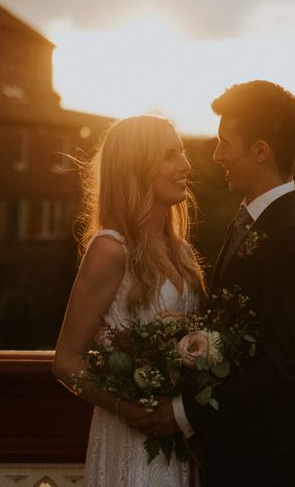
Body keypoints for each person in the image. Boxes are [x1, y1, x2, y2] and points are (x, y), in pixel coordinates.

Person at [131, 80, 295, 487]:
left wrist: (183, 413)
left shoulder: (293, 236)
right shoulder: (248, 219)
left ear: (260, 151)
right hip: (229, 453)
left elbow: (281, 367)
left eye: (225, 143)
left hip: (261, 461)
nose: (216, 155)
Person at [53, 114, 205, 485]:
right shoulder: (110, 248)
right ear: (137, 166)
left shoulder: (182, 251)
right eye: (170, 155)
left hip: (179, 440)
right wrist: (124, 406)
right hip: (129, 439)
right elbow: (66, 362)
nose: (185, 165)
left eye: (183, 152)